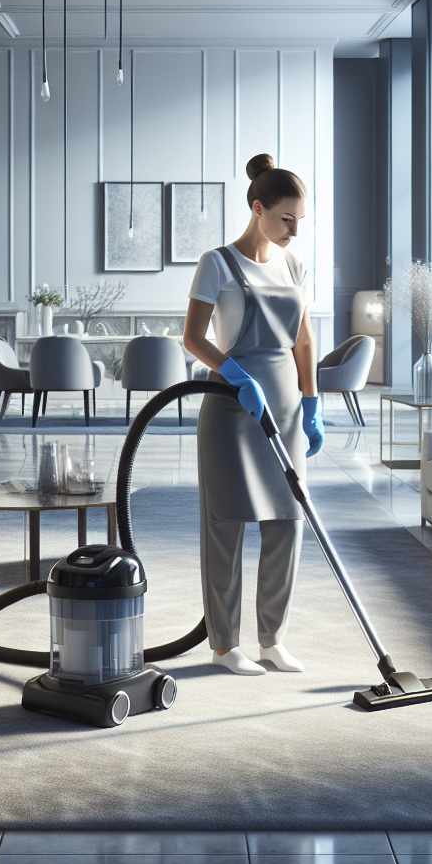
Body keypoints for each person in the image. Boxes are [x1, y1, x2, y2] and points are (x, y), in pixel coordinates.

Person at [183, 153, 324, 676]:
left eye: (300, 220)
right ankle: (224, 645)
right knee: (225, 524)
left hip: (285, 404)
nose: (294, 230)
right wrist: (236, 375)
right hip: (231, 404)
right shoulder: (217, 262)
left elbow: (304, 341)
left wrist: (312, 405)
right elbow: (193, 338)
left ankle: (273, 639)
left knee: (289, 521)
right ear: (258, 208)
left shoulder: (294, 265)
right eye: (287, 218)